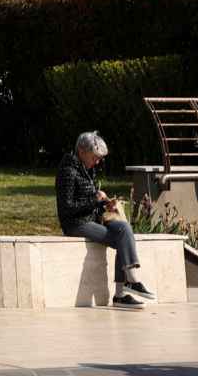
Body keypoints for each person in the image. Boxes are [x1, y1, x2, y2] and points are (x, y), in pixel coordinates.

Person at [57, 131, 155, 307]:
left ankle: (125, 289)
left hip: (91, 219)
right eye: (95, 157)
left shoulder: (87, 169)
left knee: (123, 228)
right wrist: (94, 199)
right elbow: (67, 208)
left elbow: (90, 202)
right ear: (81, 151)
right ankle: (125, 289)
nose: (98, 161)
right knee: (121, 238)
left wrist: (104, 205)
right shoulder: (68, 171)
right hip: (76, 223)